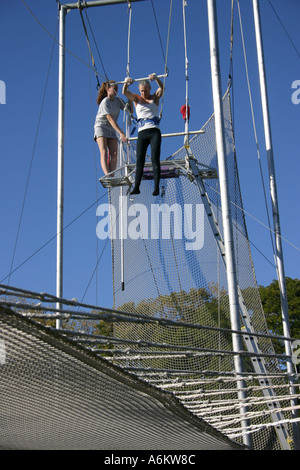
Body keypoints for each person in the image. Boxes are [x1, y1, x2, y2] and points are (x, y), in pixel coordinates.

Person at [122, 73, 164, 196]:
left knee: (155, 159)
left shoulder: (154, 98)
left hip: (154, 131)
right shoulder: (136, 98)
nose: (143, 94)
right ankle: (136, 187)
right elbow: (125, 92)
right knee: (140, 161)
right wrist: (126, 82)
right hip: (142, 133)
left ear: (149, 89)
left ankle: (156, 187)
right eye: (141, 91)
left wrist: (156, 79)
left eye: (145, 91)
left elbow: (162, 88)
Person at [94, 80, 127, 175]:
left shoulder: (118, 101)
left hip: (111, 128)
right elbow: (110, 119)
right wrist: (121, 133)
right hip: (101, 126)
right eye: (114, 88)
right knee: (104, 151)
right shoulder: (105, 102)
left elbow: (129, 110)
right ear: (108, 89)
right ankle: (107, 174)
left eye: (117, 88)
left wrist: (128, 94)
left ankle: (112, 174)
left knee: (115, 154)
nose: (116, 90)